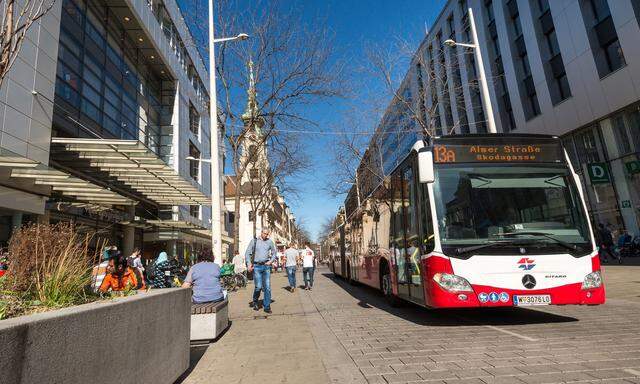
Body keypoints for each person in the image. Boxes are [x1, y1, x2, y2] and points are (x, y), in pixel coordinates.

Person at [245, 228, 277, 313]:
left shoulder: (269, 242)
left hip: (266, 266)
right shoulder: (254, 241)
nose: (266, 235)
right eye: (264, 233)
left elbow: (274, 252)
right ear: (261, 232)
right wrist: (249, 264)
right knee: (258, 287)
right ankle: (255, 301)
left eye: (267, 234)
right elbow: (247, 253)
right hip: (257, 266)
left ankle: (267, 306)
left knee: (267, 287)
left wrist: (271, 261)